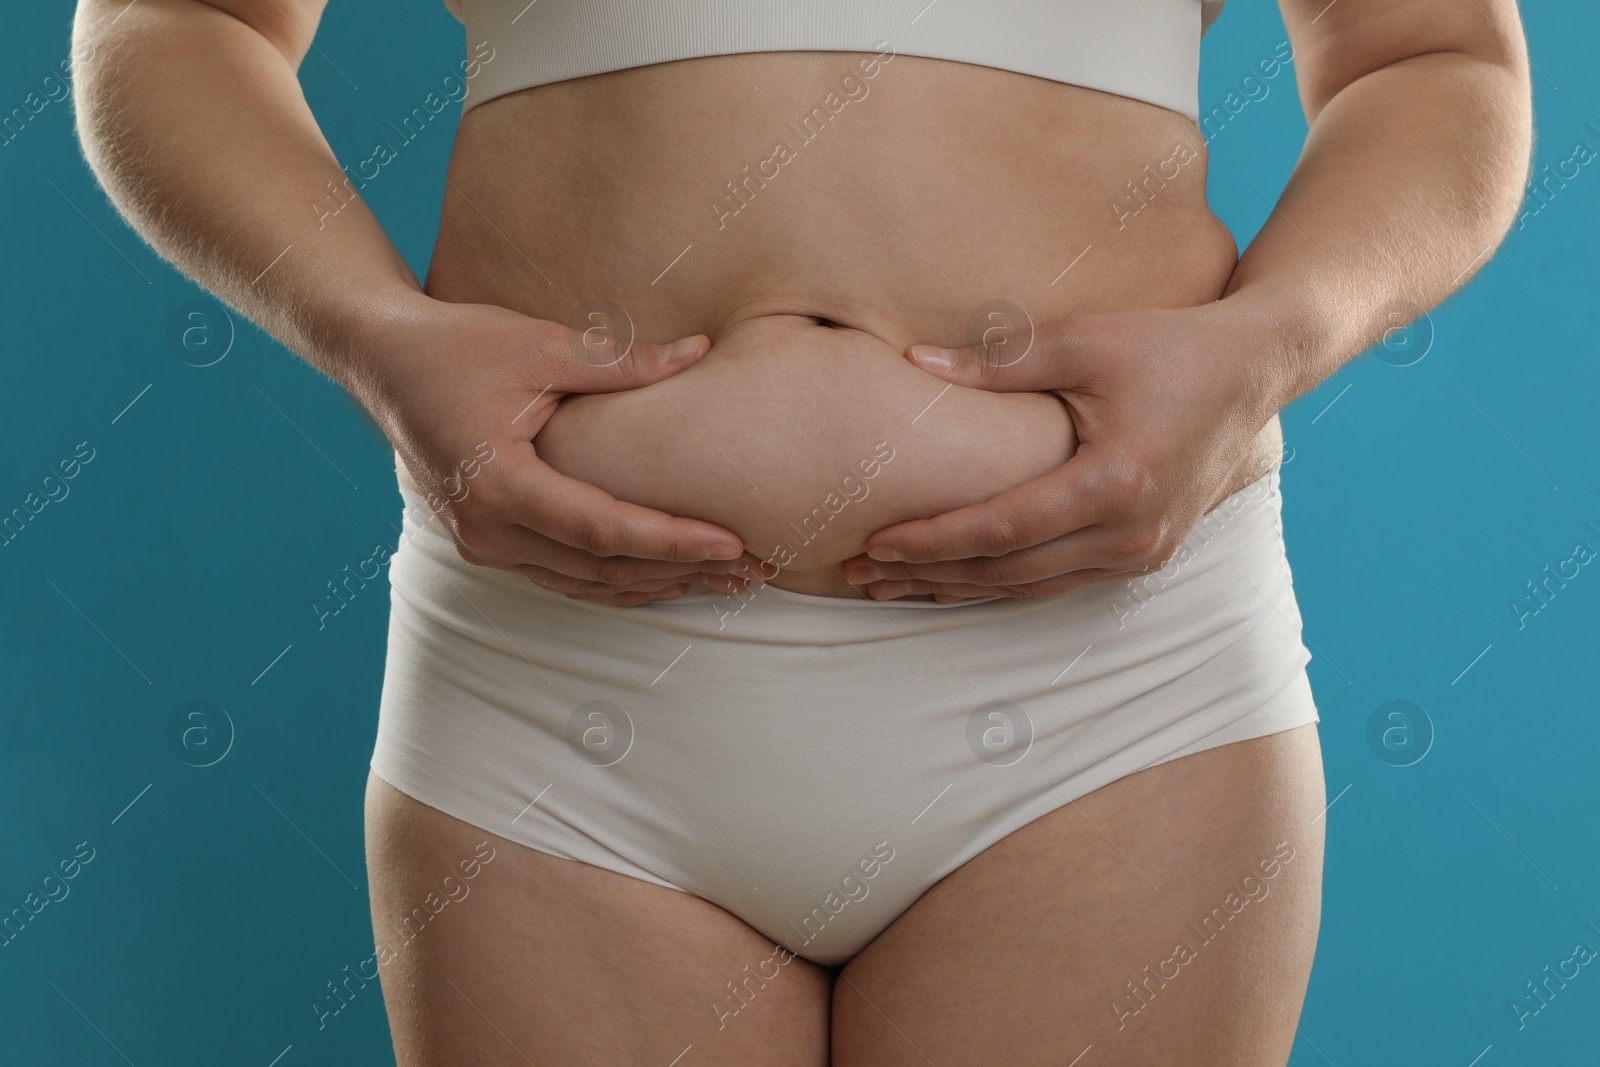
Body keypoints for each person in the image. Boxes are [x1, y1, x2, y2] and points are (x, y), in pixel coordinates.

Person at [72, 0, 1532, 1062]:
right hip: (561, 698)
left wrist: (1273, 342)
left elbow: (1433, 53)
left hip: (1112, 704)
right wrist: (370, 333)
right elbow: (174, 19)